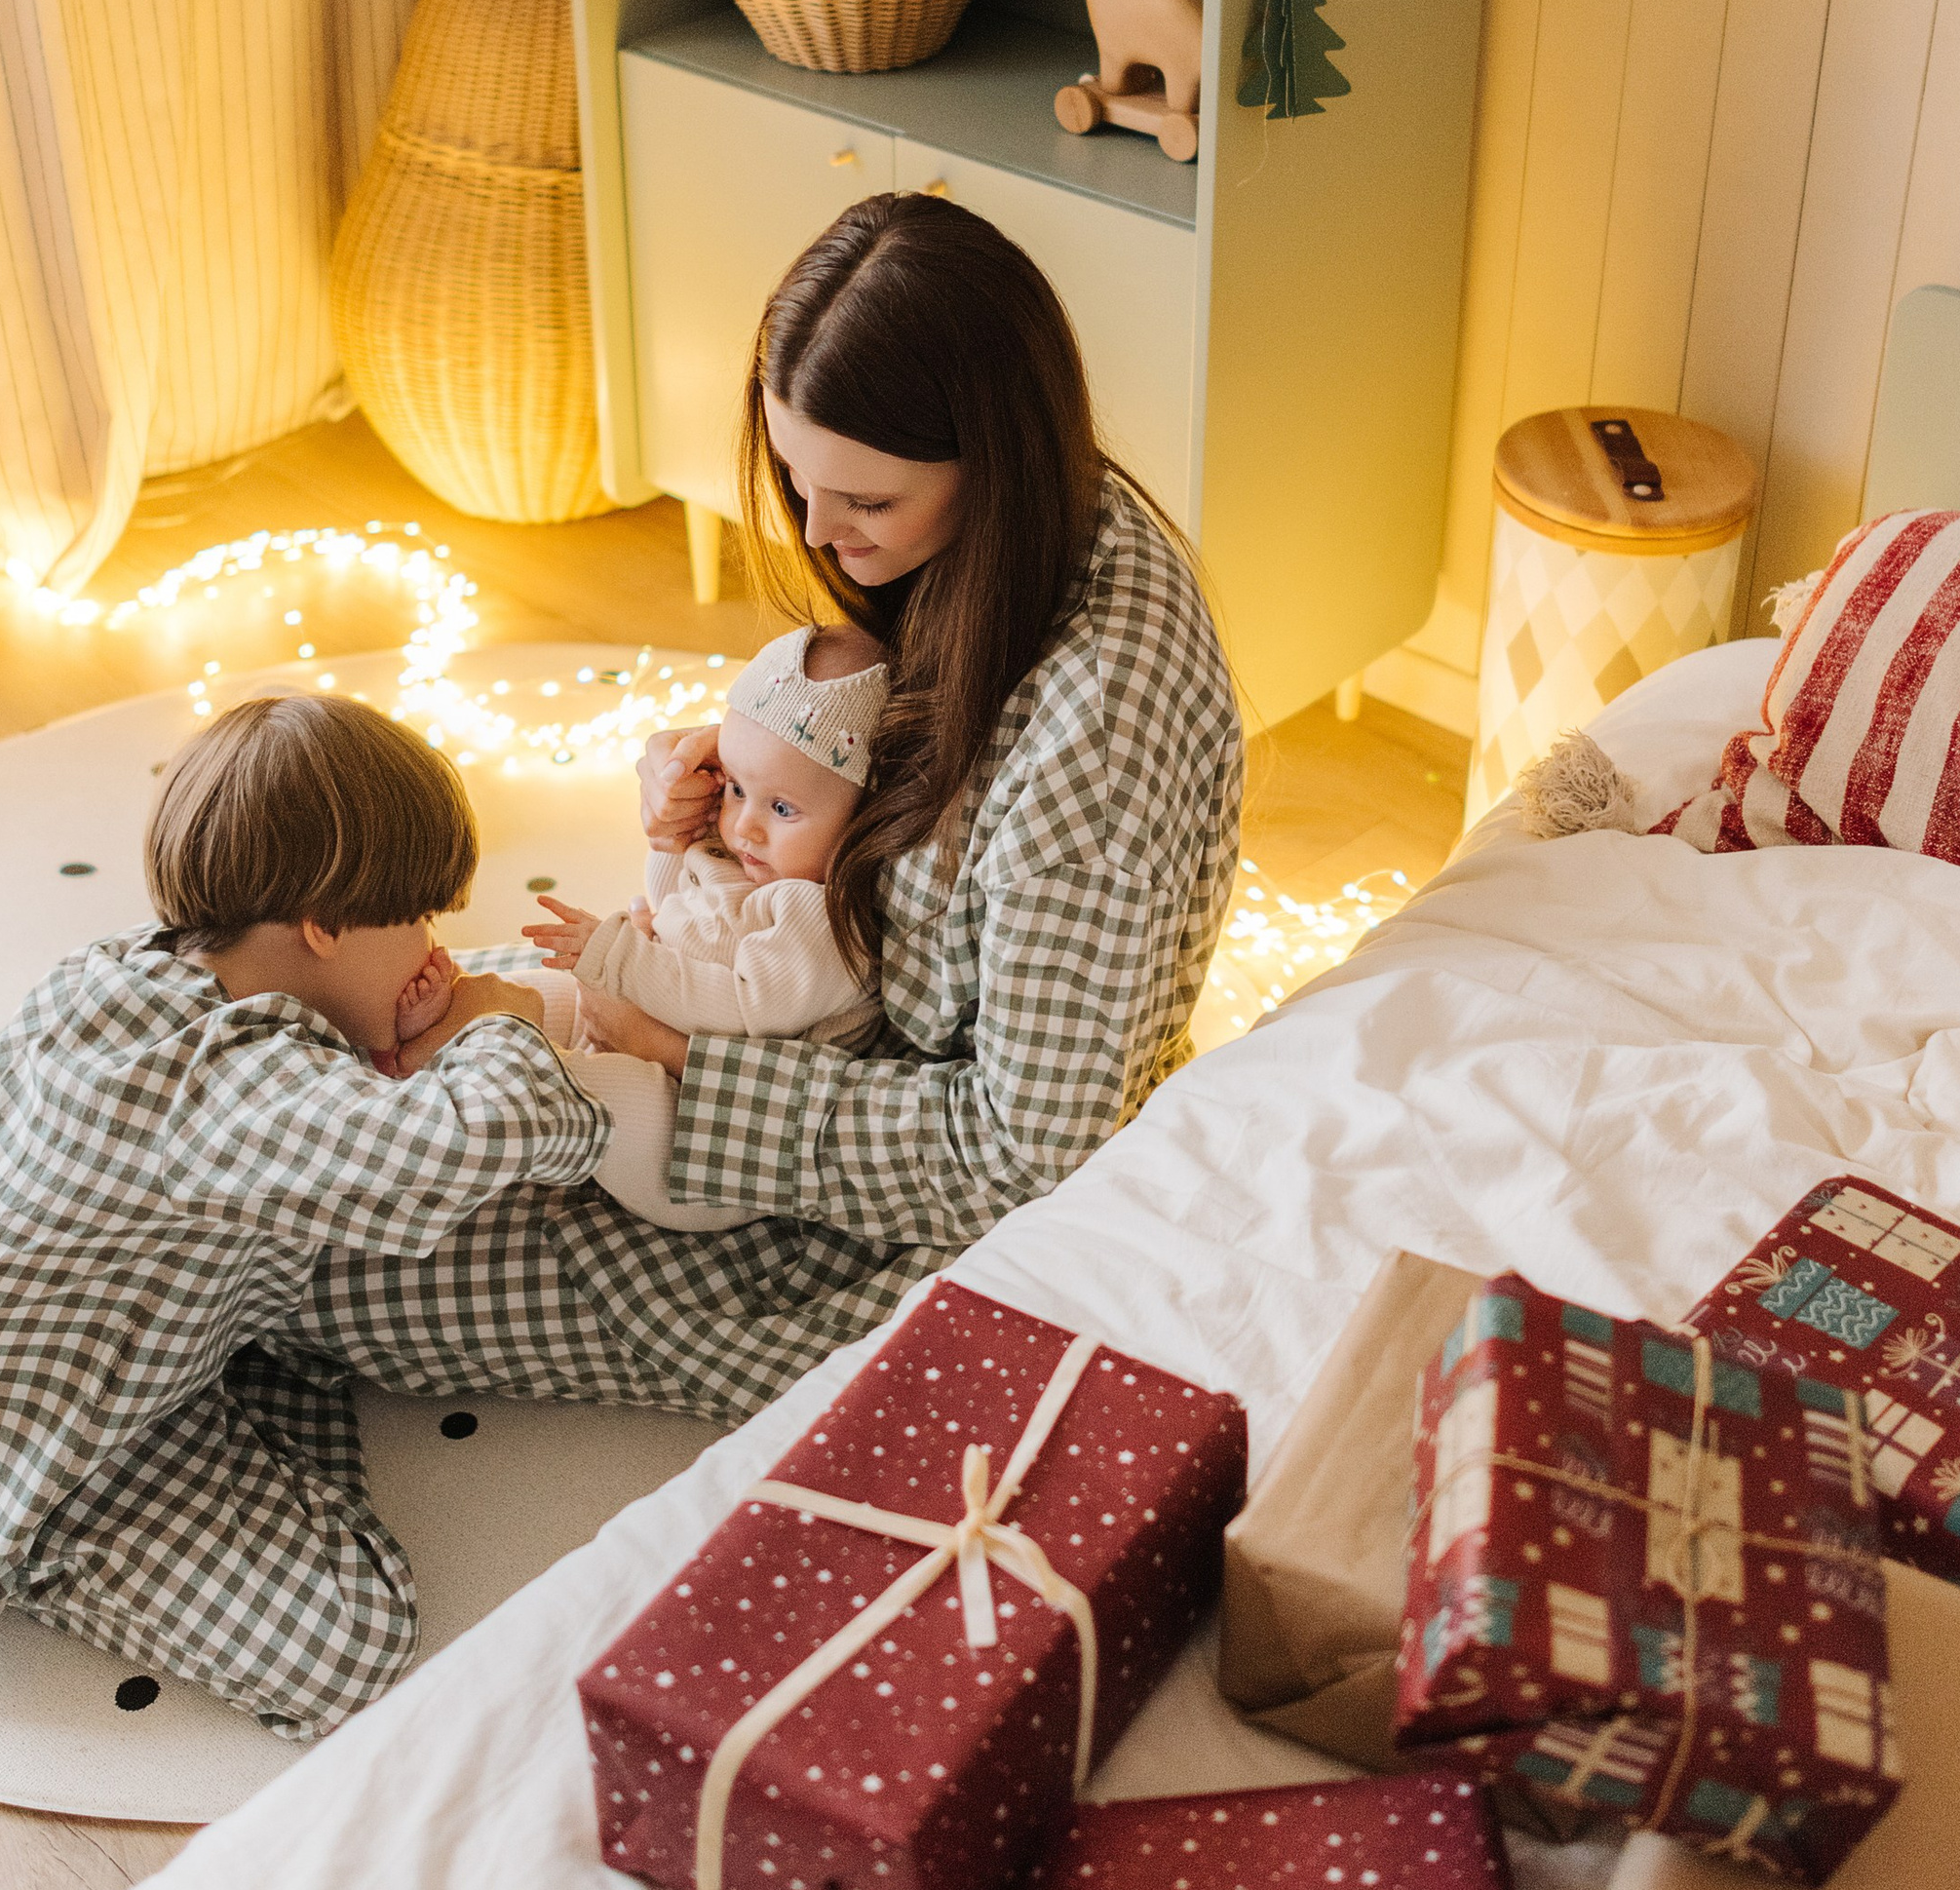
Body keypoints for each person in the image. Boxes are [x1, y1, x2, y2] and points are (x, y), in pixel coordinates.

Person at [291, 191, 1246, 1429]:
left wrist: (681, 1057)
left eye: (864, 502)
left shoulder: (1092, 746)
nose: (814, 529)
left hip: (891, 1178)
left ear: (991, 456)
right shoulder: (1026, 531)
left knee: (344, 1256)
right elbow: (875, 776)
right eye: (797, 478)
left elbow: (1019, 1155)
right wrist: (723, 790)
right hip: (803, 1019)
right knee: (398, 1015)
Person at [0, 693, 612, 1739]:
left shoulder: (118, 969)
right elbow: (481, 1141)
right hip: (9, 1469)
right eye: (418, 919)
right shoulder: (225, 1085)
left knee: (284, 1244)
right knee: (352, 1637)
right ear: (323, 925)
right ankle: (46, 1552)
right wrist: (503, 1022)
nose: (433, 947)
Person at [520, 620, 889, 1237]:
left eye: (781, 808)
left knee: (574, 1082)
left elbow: (736, 1008)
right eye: (737, 788)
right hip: (649, 1033)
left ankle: (486, 1104)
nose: (744, 825)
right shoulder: (756, 856)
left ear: (863, 819)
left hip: (705, 1134)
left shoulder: (823, 920)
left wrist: (620, 959)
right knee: (529, 999)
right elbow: (672, 902)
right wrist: (679, 841)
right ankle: (450, 1026)